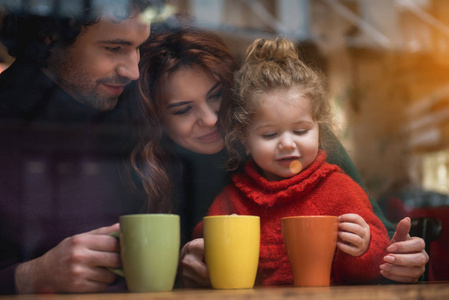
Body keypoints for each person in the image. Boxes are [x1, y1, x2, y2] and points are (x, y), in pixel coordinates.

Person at [133, 26, 428, 286]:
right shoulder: (157, 172)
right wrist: (190, 266)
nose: (210, 119)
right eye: (183, 110)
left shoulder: (317, 156)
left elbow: (381, 243)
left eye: (216, 96)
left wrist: (396, 258)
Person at [188, 37, 392, 285]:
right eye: (270, 134)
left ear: (319, 129)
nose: (287, 143)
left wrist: (365, 247)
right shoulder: (233, 201)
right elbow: (203, 253)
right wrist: (203, 258)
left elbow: (376, 263)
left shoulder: (342, 190)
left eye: (301, 131)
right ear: (245, 140)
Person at [0, 0, 158, 294]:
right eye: (114, 48)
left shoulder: (131, 113)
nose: (133, 71)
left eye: (139, 48)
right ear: (51, 35)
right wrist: (31, 276)